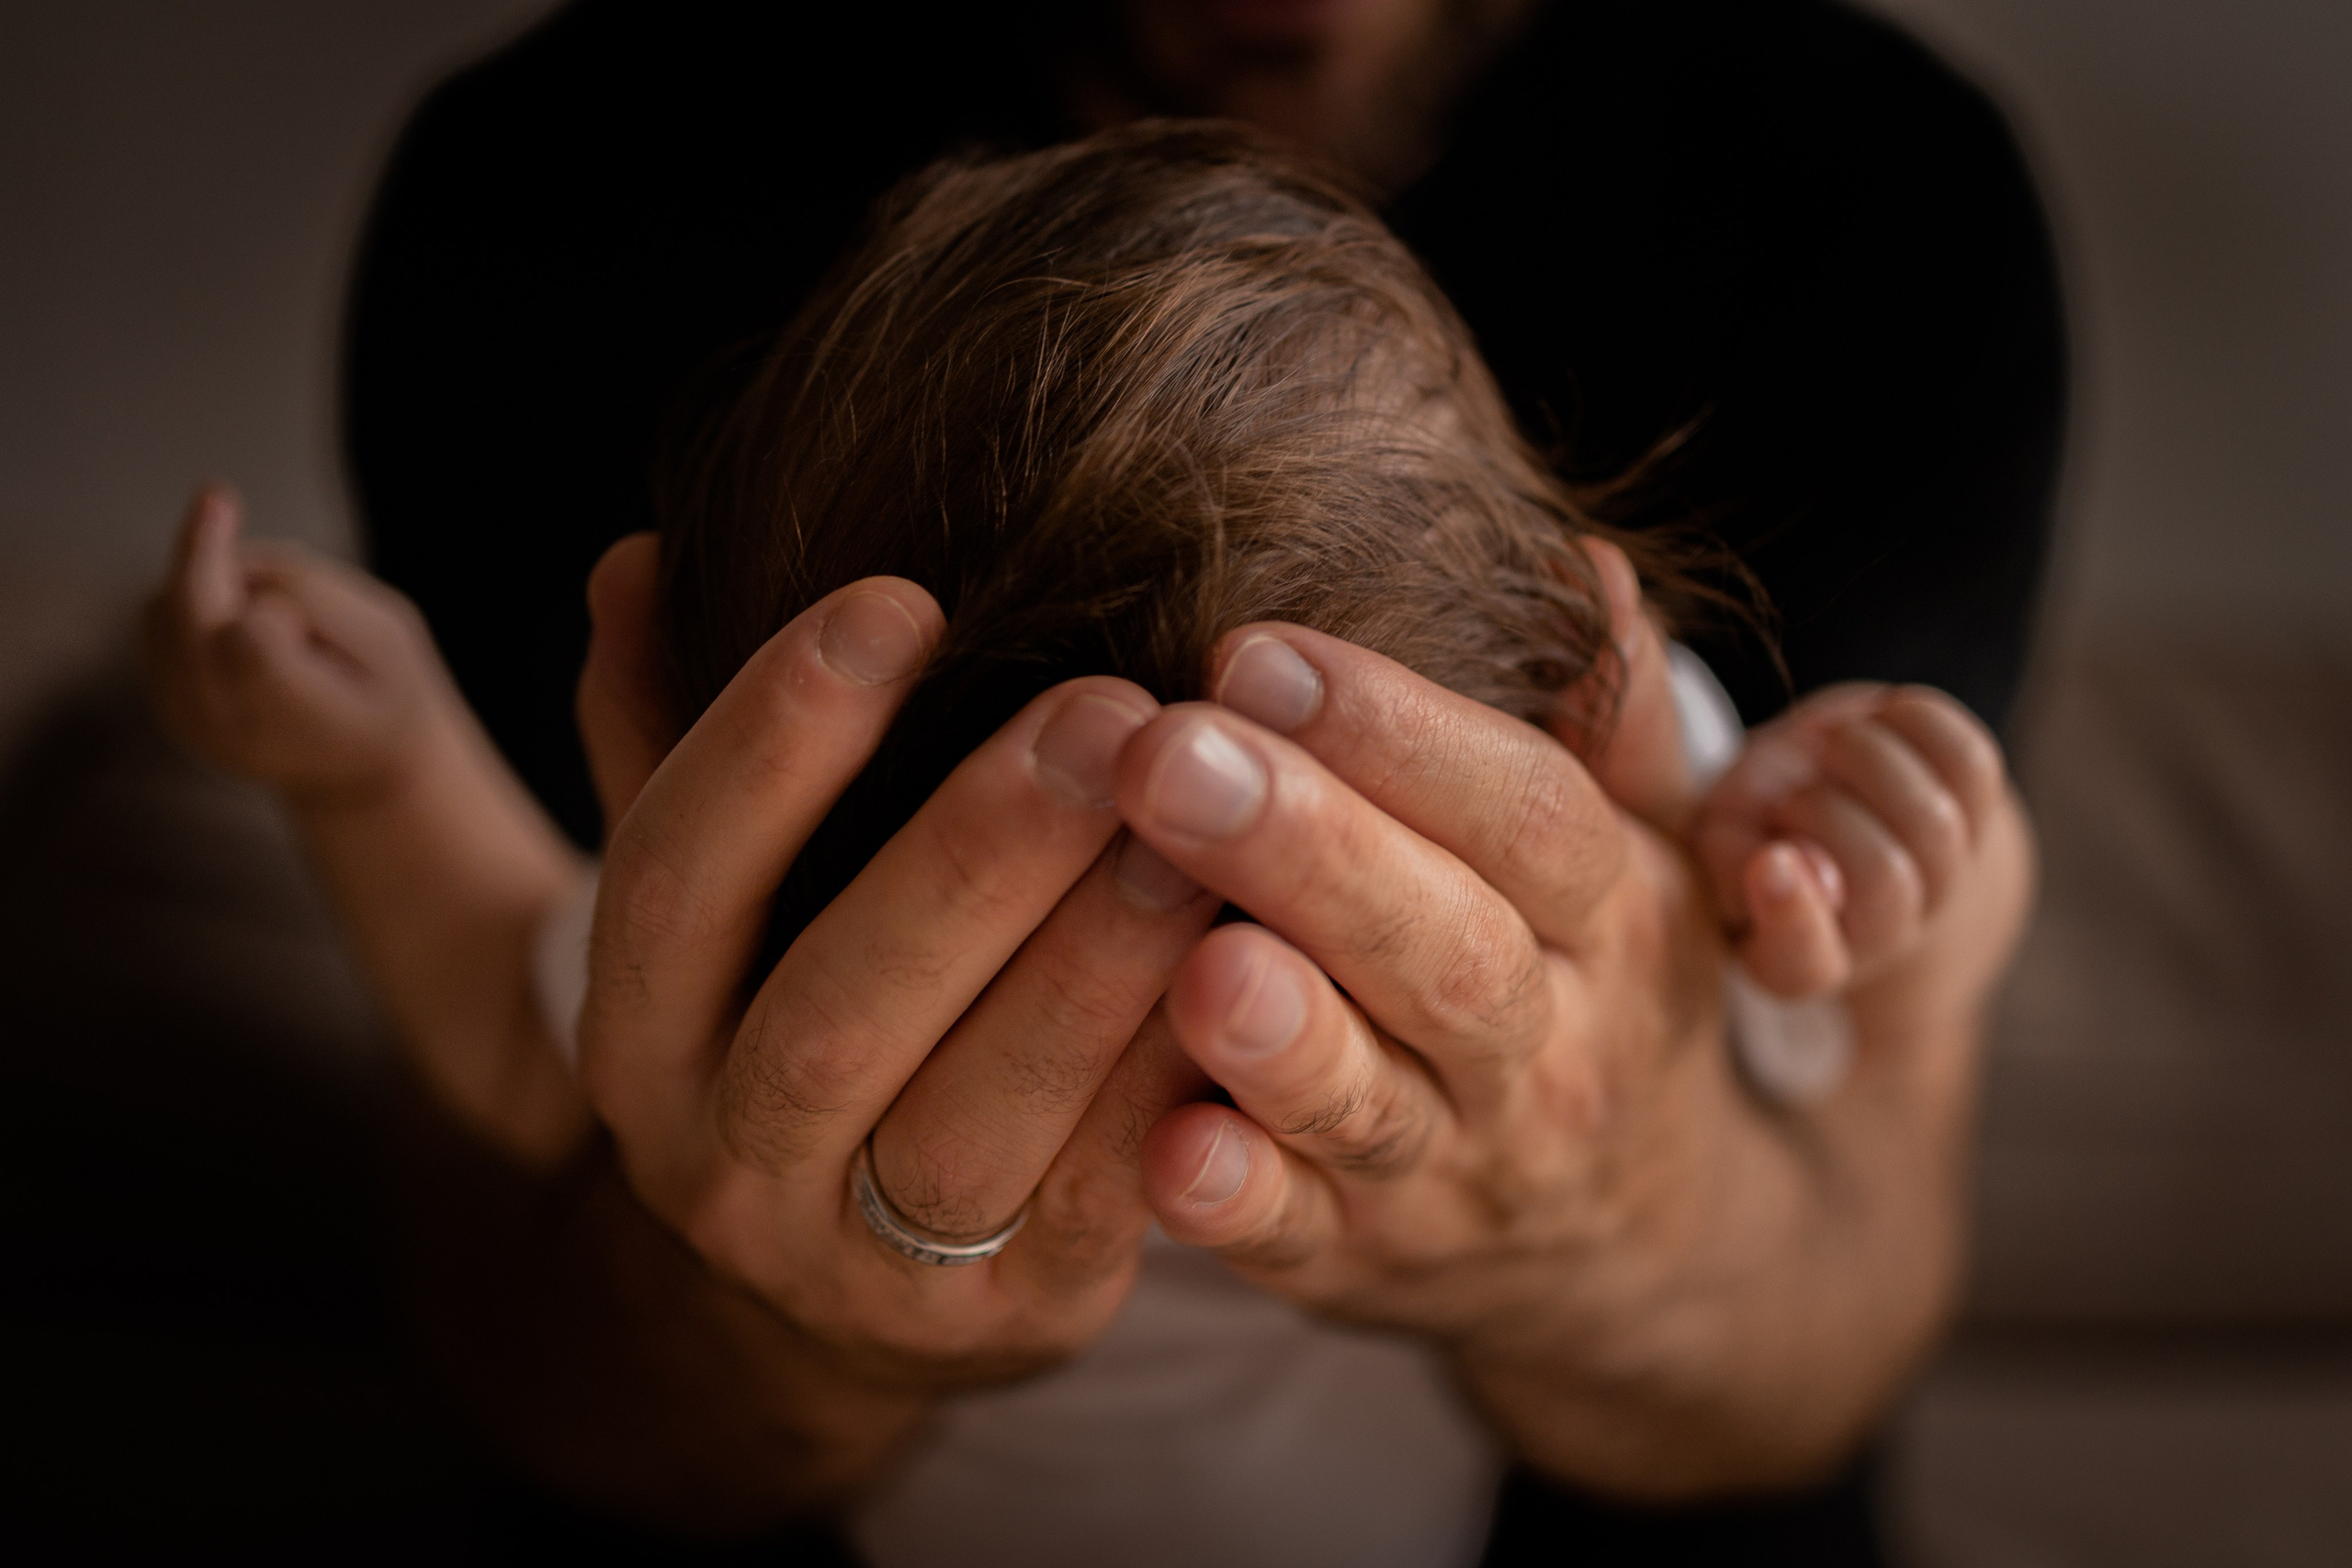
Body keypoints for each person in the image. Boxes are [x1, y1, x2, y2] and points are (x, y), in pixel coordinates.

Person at [146, 122, 2033, 1564]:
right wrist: (1872, 863)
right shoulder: (1636, 794)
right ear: (1564, 666)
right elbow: (1850, 990)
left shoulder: (1648, 838)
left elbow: (505, 999)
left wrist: (372, 766)